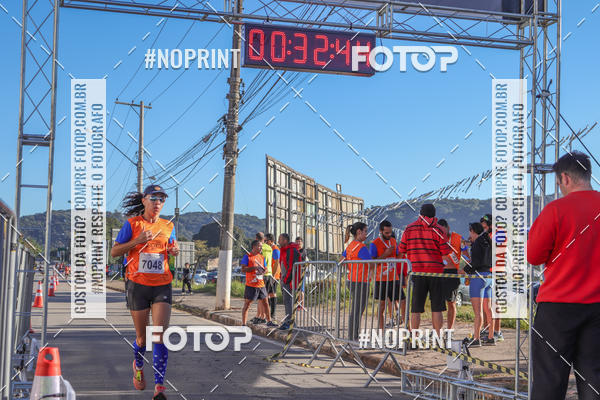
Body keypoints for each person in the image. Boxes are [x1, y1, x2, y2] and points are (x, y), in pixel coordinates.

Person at [528, 151, 600, 400]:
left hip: (558, 307)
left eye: (558, 182)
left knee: (549, 381)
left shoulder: (556, 210)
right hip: (597, 307)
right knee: (594, 381)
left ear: (565, 178)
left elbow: (534, 256)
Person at [110, 184, 179, 400]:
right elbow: (114, 251)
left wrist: (174, 250)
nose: (158, 203)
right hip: (137, 285)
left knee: (159, 335)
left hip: (162, 284)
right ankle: (138, 364)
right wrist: (137, 241)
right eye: (153, 198)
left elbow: (171, 247)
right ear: (144, 200)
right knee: (143, 339)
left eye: (161, 199)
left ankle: (159, 387)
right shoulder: (132, 224)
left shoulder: (168, 225)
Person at [397, 204, 451, 335]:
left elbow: (401, 249)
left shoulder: (409, 228)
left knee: (415, 308)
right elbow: (445, 251)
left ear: (420, 214)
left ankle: (414, 336)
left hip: (417, 272)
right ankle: (437, 336)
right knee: (437, 308)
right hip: (436, 272)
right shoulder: (439, 230)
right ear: (434, 215)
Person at [369, 220, 406, 330]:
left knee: (403, 302)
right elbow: (372, 263)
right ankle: (381, 332)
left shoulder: (393, 241)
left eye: (390, 232)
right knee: (381, 306)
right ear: (380, 231)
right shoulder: (374, 244)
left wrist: (402, 252)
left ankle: (407, 329)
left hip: (394, 278)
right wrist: (385, 254)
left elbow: (397, 258)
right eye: (386, 233)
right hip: (381, 279)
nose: (389, 235)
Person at [462, 222, 495, 347]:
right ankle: (491, 337)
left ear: (472, 231)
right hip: (489, 277)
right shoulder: (487, 241)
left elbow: (475, 263)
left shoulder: (477, 244)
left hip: (478, 278)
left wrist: (464, 270)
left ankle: (476, 339)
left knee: (478, 312)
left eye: (470, 232)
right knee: (488, 309)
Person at [343, 222, 372, 341]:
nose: (366, 234)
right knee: (357, 310)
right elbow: (372, 264)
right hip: (360, 281)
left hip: (352, 279)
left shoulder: (350, 246)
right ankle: (353, 336)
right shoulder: (361, 247)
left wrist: (351, 269)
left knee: (355, 309)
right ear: (359, 232)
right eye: (365, 231)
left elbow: (342, 260)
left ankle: (353, 335)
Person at [241, 240, 277, 327]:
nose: (261, 248)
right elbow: (243, 269)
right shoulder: (247, 257)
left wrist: (264, 271)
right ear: (254, 246)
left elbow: (265, 268)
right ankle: (244, 324)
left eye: (261, 246)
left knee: (266, 303)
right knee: (247, 304)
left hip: (261, 284)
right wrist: (254, 268)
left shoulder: (262, 257)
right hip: (251, 284)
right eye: (259, 246)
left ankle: (269, 321)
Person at [480, 213, 503, 342]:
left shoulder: (499, 234)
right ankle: (487, 329)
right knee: (486, 302)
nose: (483, 229)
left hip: (497, 272)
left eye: (484, 226)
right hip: (487, 271)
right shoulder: (487, 235)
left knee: (495, 303)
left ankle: (497, 331)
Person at [437, 219, 462, 330]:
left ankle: (449, 330)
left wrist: (464, 269)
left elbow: (466, 255)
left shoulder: (458, 238)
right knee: (437, 304)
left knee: (451, 303)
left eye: (443, 231)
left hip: (452, 273)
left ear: (448, 228)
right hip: (439, 272)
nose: (442, 234)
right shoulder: (436, 238)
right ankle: (437, 329)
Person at [278, 233, 303, 330]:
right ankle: (289, 321)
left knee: (288, 301)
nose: (278, 241)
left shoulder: (291, 250)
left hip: (289, 281)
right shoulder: (285, 250)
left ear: (285, 240)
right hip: (285, 279)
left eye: (280, 239)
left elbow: (291, 267)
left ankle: (290, 322)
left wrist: (286, 280)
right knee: (286, 301)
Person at [251, 232, 271, 324]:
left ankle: (261, 316)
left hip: (261, 274)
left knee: (261, 298)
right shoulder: (269, 247)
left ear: (256, 238)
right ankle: (260, 315)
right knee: (264, 297)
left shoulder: (259, 247)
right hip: (269, 273)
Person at [265, 234, 280, 320]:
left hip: (274, 275)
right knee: (268, 293)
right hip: (270, 274)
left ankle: (273, 314)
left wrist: (273, 275)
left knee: (272, 293)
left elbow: (277, 263)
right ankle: (269, 313)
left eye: (266, 240)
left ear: (271, 241)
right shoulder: (270, 249)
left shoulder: (275, 249)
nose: (265, 242)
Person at [295, 237, 307, 310]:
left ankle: (301, 305)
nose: (298, 243)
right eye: (297, 241)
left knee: (301, 289)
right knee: (297, 289)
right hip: (295, 271)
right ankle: (298, 304)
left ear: (302, 243)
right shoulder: (295, 250)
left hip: (301, 272)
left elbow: (301, 257)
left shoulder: (303, 250)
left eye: (299, 241)